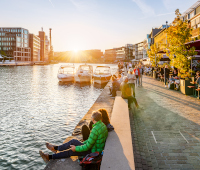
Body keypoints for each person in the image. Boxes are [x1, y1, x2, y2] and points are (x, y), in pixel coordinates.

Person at [39, 111, 108, 163]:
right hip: (96, 150)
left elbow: (87, 147)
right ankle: (52, 152)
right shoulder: (103, 126)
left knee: (72, 147)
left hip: (93, 152)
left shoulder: (95, 129)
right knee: (72, 145)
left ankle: (53, 151)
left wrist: (76, 148)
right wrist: (84, 142)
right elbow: (92, 140)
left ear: (93, 119)